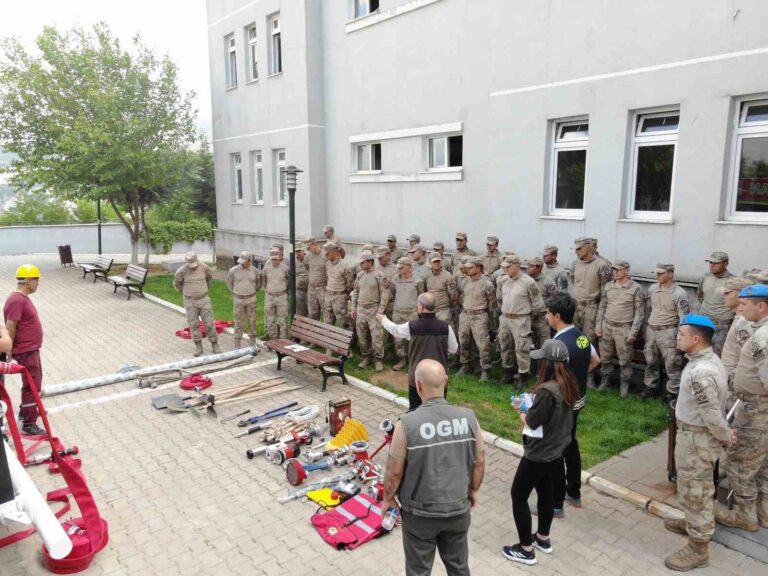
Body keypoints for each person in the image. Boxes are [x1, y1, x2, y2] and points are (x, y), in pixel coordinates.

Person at [381, 359, 484, 576]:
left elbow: (394, 469)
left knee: (418, 571)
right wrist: (473, 490)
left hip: (420, 515)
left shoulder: (406, 424)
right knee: (459, 567)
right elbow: (479, 461)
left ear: (418, 386)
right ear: (445, 382)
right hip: (457, 509)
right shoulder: (469, 418)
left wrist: (388, 498)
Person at [663, 314, 735, 572]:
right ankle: (691, 521)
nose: (677, 338)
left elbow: (712, 413)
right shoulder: (704, 360)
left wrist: (726, 436)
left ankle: (698, 547)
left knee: (697, 492)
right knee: (690, 486)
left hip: (697, 439)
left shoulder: (701, 372)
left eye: (681, 334)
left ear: (696, 338)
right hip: (692, 435)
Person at [502, 339, 578, 566]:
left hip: (539, 454)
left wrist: (520, 409)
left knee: (518, 495)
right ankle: (542, 538)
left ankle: (525, 549)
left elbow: (533, 423)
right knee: (545, 493)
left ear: (547, 364)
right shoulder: (569, 384)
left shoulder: (547, 392)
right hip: (556, 451)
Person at [716, 284, 768, 532]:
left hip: (756, 410)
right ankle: (763, 514)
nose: (740, 308)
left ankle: (745, 517)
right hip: (758, 407)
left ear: (761, 306)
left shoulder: (762, 338)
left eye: (744, 304)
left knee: (740, 463)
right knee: (763, 464)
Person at [544, 293, 600, 517]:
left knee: (557, 447)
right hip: (578, 400)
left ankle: (555, 503)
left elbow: (551, 379)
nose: (546, 317)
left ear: (557, 316)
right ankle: (573, 492)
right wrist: (577, 378)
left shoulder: (558, 344)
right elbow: (596, 360)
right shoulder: (582, 337)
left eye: (548, 313)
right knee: (570, 442)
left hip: (562, 404)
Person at [378, 293, 458, 410]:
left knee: (415, 410)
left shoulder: (412, 326)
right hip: (439, 378)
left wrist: (383, 319)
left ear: (421, 307)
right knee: (437, 410)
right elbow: (454, 348)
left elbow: (395, 330)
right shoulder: (445, 327)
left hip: (417, 378)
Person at [4, 264, 47, 435]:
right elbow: (11, 326)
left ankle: (26, 411)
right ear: (28, 280)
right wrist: (8, 348)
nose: (38, 283)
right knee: (31, 385)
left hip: (30, 348)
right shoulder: (17, 300)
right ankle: (29, 423)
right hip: (25, 350)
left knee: (33, 383)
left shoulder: (20, 298)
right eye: (36, 279)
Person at [595, 259, 646, 396]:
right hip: (607, 326)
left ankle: (624, 387)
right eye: (614, 269)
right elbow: (602, 307)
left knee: (625, 360)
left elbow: (640, 313)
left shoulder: (636, 288)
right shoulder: (608, 286)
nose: (615, 272)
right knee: (605, 357)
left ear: (627, 270)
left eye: (618, 269)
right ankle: (605, 382)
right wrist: (598, 325)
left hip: (624, 328)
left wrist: (633, 332)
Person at [641, 263, 691, 399]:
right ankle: (650, 387)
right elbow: (648, 309)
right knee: (650, 360)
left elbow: (684, 318)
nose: (658, 276)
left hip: (669, 331)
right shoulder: (652, 289)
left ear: (670, 274)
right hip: (652, 329)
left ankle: (673, 392)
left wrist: (681, 337)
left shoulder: (679, 293)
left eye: (661, 273)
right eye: (656, 273)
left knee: (672, 363)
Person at [496, 255, 545, 389]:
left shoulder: (528, 282)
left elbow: (538, 304)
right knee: (505, 346)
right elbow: (499, 298)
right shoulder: (504, 280)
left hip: (521, 319)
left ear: (517, 266)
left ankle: (522, 378)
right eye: (504, 267)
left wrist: (527, 317)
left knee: (522, 349)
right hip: (505, 318)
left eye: (508, 266)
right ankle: (507, 374)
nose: (505, 269)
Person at [570, 237, 612, 388]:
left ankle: (588, 375)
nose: (576, 252)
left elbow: (605, 291)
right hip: (577, 305)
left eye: (579, 249)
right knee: (575, 338)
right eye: (575, 249)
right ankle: (574, 371)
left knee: (587, 341)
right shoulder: (575, 264)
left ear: (588, 248)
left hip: (592, 307)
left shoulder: (602, 265)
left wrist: (600, 311)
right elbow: (574, 281)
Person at [457, 257, 497, 382]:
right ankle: (465, 365)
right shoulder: (465, 282)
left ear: (479, 268)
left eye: (471, 267)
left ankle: (485, 369)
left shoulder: (487, 284)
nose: (467, 269)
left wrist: (490, 322)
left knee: (482, 344)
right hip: (465, 314)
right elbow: (462, 296)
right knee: (463, 341)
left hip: (479, 316)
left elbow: (492, 304)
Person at [173, 252, 221, 357]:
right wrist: (187, 293)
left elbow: (209, 278)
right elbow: (176, 284)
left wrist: (203, 289)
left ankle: (214, 344)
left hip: (204, 299)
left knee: (209, 323)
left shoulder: (204, 267)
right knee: (193, 324)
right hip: (190, 301)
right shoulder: (181, 271)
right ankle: (198, 346)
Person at [351, 251, 390, 371]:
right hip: (361, 309)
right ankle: (366, 357)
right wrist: (353, 307)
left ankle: (378, 359)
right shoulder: (360, 275)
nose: (361, 265)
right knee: (362, 336)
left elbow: (385, 294)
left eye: (363, 262)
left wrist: (381, 311)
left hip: (374, 309)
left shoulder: (379, 275)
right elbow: (356, 291)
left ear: (370, 262)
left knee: (376, 336)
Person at [717, 276, 755, 396]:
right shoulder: (739, 318)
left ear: (740, 295)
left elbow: (751, 357)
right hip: (730, 379)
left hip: (736, 384)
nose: (724, 296)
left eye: (727, 293)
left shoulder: (743, 323)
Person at [386, 257, 425, 372]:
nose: (399, 270)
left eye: (402, 268)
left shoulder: (418, 281)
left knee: (414, 339)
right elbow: (391, 294)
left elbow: (421, 297)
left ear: (409, 268)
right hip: (398, 313)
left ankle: (414, 361)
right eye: (398, 267)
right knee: (397, 338)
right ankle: (402, 360)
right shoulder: (395, 279)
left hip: (412, 314)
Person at [697, 252, 735, 357]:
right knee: (700, 353)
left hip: (722, 326)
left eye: (716, 263)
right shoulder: (705, 277)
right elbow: (700, 296)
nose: (712, 265)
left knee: (717, 355)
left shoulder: (732, 281)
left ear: (726, 264)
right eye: (710, 262)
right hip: (704, 322)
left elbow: (736, 304)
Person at [226, 251, 261, 349]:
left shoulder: (255, 271)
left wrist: (252, 291)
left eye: (243, 262)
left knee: (252, 321)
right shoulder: (233, 270)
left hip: (251, 299)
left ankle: (252, 343)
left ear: (249, 261)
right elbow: (229, 283)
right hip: (238, 300)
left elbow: (259, 284)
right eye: (240, 261)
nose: (241, 263)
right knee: (238, 322)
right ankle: (237, 344)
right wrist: (236, 292)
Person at [526, 256, 557, 348]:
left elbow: (555, 298)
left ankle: (545, 361)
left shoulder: (547, 282)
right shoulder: (525, 280)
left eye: (531, 266)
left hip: (542, 317)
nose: (528, 268)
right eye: (528, 265)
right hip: (527, 315)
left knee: (544, 343)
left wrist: (547, 310)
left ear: (539, 267)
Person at [261, 250, 290, 339]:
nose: (274, 261)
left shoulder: (285, 268)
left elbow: (289, 280)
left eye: (276, 259)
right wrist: (269, 289)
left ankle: (283, 338)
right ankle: (273, 337)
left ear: (279, 259)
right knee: (270, 319)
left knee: (283, 319)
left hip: (282, 296)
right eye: (272, 259)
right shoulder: (266, 268)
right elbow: (264, 279)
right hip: (270, 296)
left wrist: (284, 290)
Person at [323, 241, 353, 328]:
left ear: (334, 252)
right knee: (328, 320)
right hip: (328, 295)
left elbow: (350, 284)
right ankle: (329, 340)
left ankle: (348, 340)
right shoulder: (328, 264)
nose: (325, 255)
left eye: (327, 252)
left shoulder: (345, 266)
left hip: (339, 297)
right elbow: (327, 277)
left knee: (343, 321)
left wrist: (343, 294)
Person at [424, 252, 457, 323]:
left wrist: (451, 308)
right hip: (430, 310)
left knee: (443, 332)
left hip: (443, 311)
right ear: (430, 262)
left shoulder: (447, 276)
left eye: (438, 261)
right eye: (434, 262)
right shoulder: (427, 275)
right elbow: (424, 291)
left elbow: (453, 295)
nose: (437, 263)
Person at [304, 238, 327, 321]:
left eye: (309, 248)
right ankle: (314, 332)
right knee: (313, 312)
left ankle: (326, 332)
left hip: (323, 288)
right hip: (312, 288)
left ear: (314, 244)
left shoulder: (325, 255)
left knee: (326, 311)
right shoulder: (308, 256)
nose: (308, 250)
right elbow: (306, 267)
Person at [295, 243, 309, 317]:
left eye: (299, 251)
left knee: (312, 313)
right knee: (300, 313)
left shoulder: (309, 258)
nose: (298, 253)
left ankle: (311, 328)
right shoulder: (294, 262)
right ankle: (300, 328)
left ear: (304, 251)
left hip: (310, 291)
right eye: (296, 251)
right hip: (299, 291)